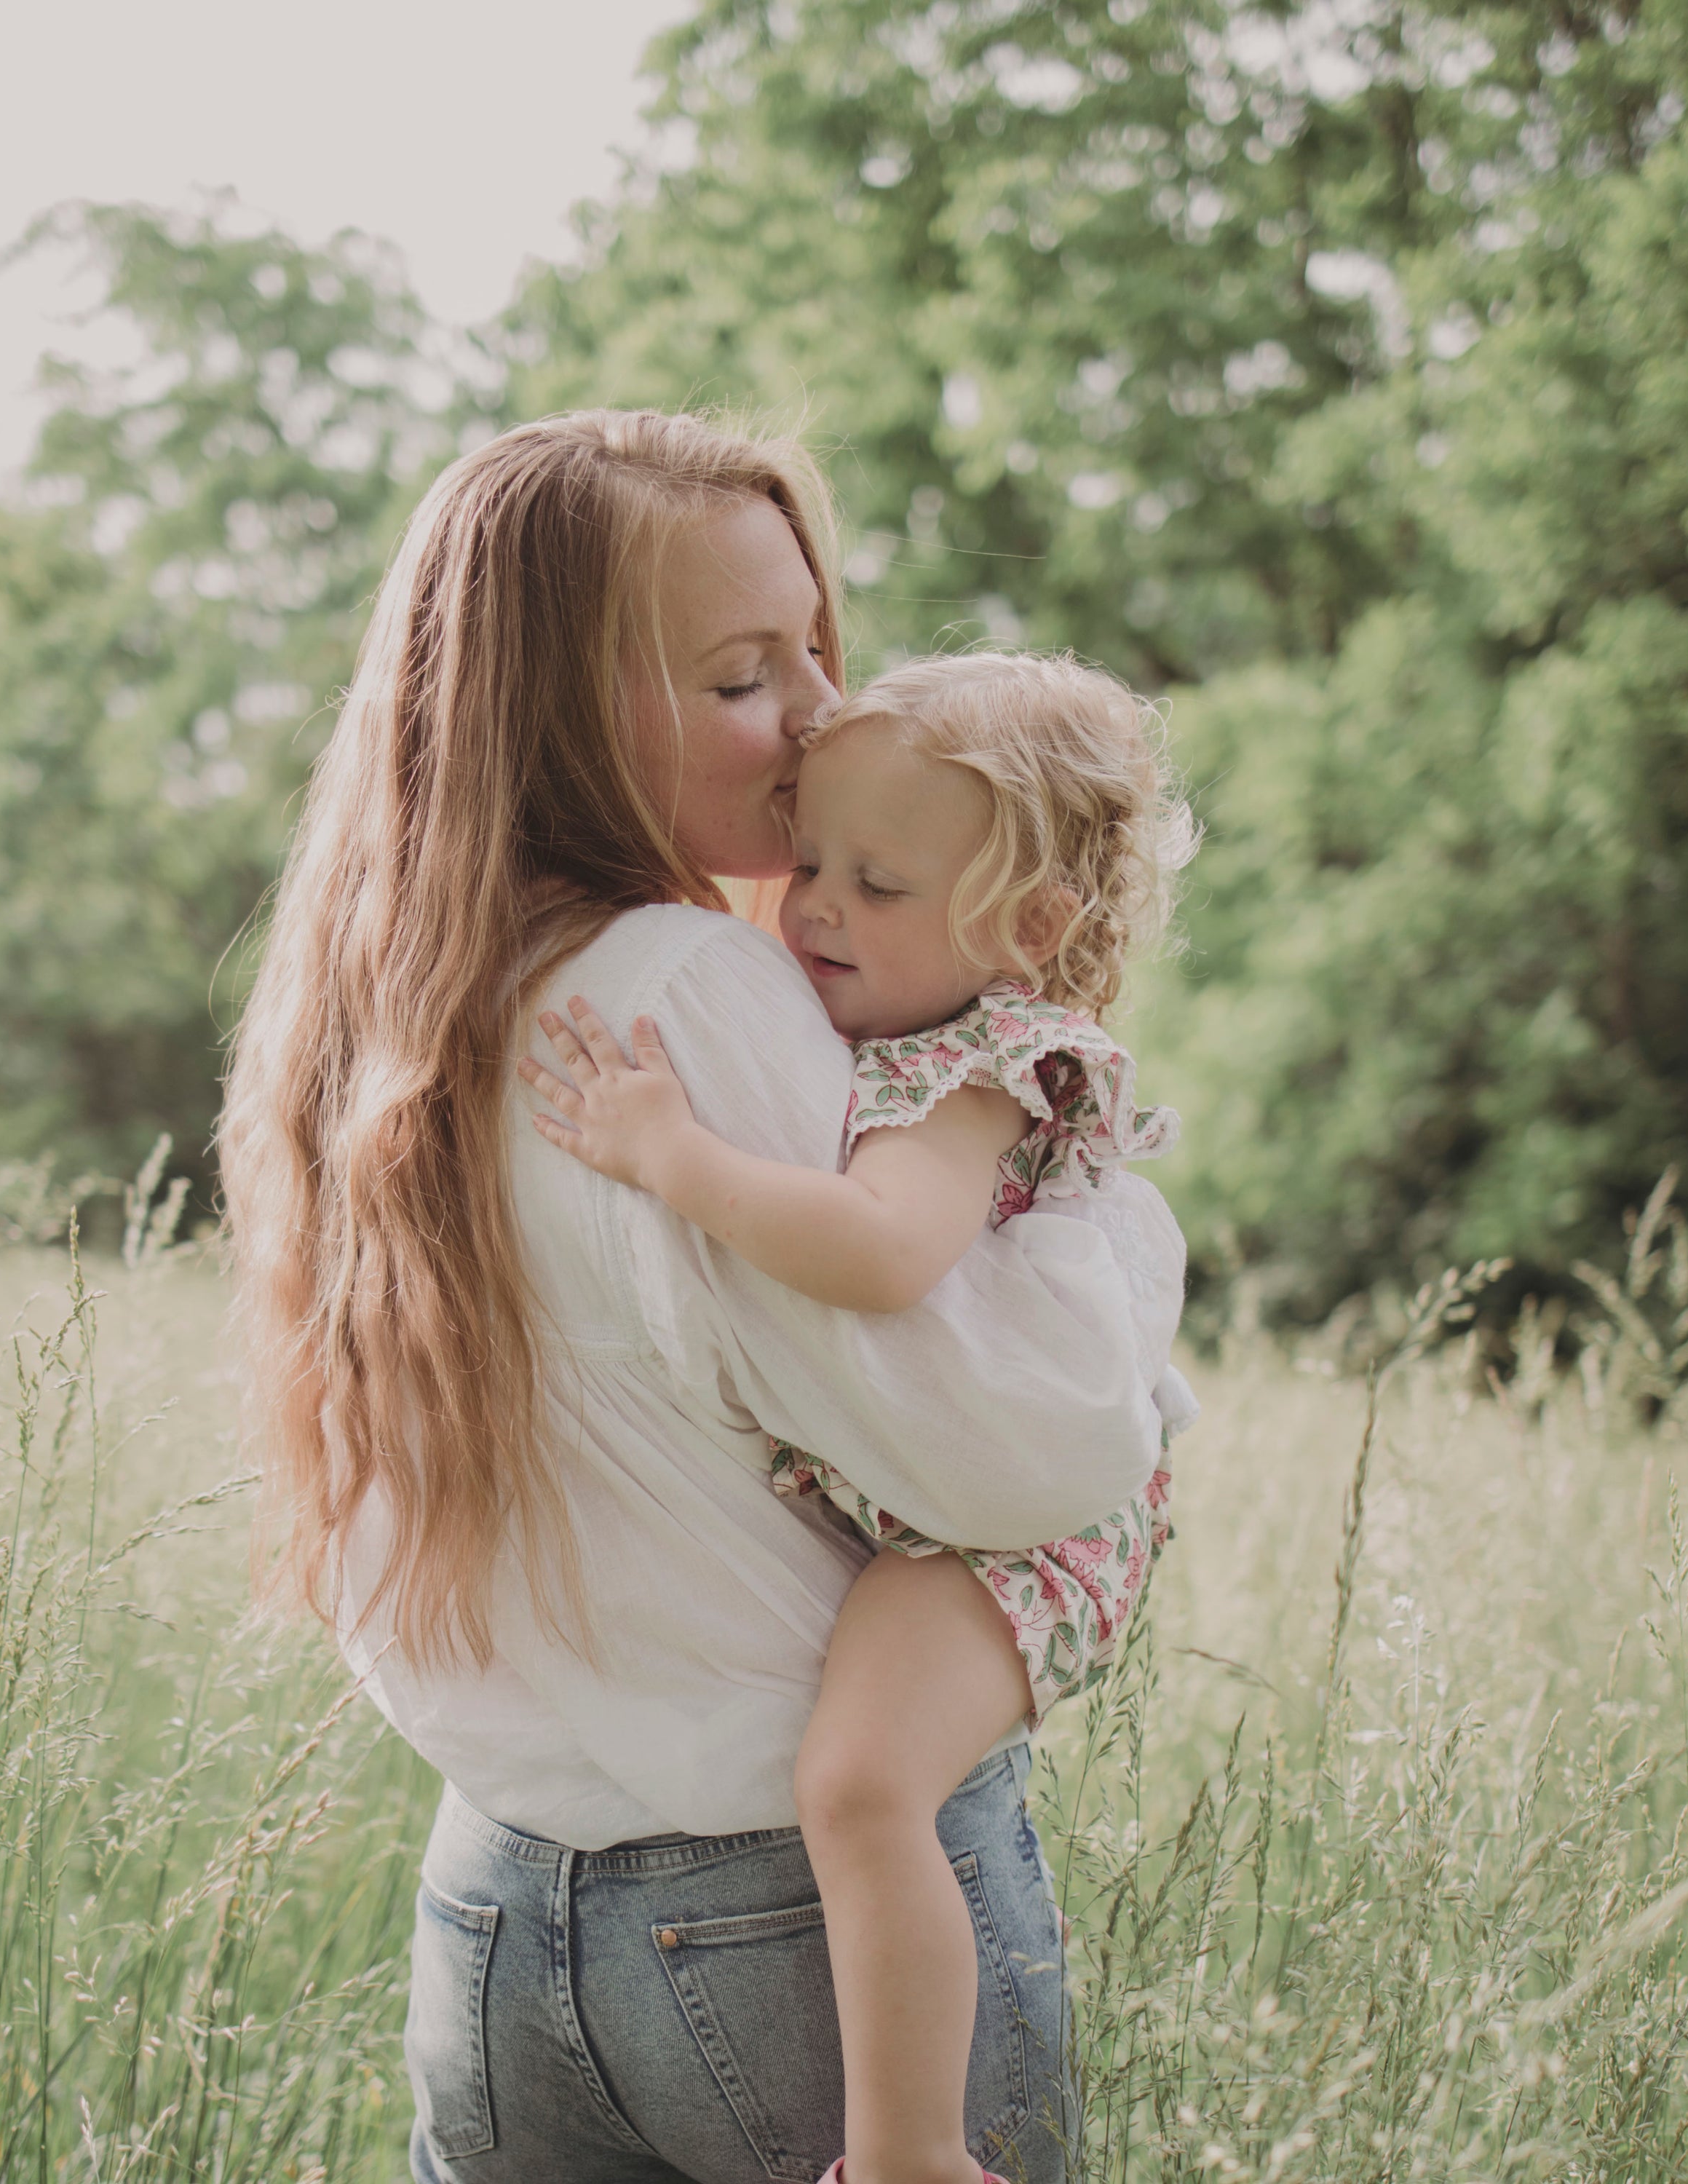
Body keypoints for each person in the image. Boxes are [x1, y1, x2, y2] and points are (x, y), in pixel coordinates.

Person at [219, 411, 1169, 2183]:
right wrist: (1114, 1227)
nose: (820, 710)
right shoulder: (688, 991)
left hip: (499, 1899)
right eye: (747, 675)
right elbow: (1038, 1450)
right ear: (562, 716)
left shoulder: (382, 1019)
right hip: (785, 1910)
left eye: (821, 643)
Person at [520, 651, 1197, 2184]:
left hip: (1012, 1542)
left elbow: (885, 1256)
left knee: (861, 1781)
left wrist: (672, 1154)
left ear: (1030, 932)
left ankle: (910, 2154)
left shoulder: (975, 1069)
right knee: (858, 1776)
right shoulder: (892, 1026)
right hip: (944, 1522)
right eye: (809, 859)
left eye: (877, 883)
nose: (818, 905)